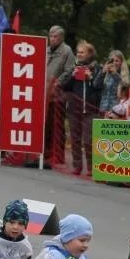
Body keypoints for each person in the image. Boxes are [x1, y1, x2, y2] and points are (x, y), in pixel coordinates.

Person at [65, 40, 102, 174]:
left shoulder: (98, 69)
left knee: (88, 140)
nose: (79, 54)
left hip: (90, 109)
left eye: (82, 52)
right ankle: (77, 165)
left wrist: (90, 77)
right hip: (74, 109)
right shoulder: (74, 67)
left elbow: (99, 87)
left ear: (90, 54)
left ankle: (91, 167)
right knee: (75, 139)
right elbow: (65, 87)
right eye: (78, 52)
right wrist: (72, 76)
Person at [43, 26, 74, 168]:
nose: (52, 39)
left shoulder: (66, 51)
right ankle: (45, 152)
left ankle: (58, 154)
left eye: (55, 36)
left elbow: (70, 70)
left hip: (57, 94)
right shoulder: (47, 50)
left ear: (61, 38)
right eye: (51, 36)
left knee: (57, 125)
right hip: (44, 92)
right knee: (45, 124)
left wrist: (58, 82)